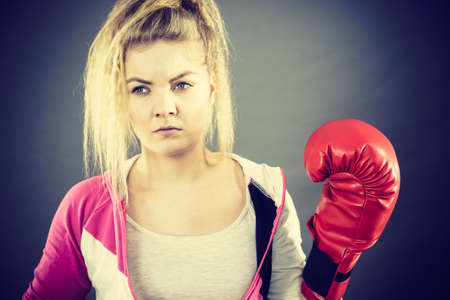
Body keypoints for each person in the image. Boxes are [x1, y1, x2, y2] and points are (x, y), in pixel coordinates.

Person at [23, 0, 307, 299]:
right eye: (140, 89)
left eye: (181, 84)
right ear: (123, 100)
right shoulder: (87, 207)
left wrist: (337, 261)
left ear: (211, 89)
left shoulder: (266, 194)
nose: (164, 108)